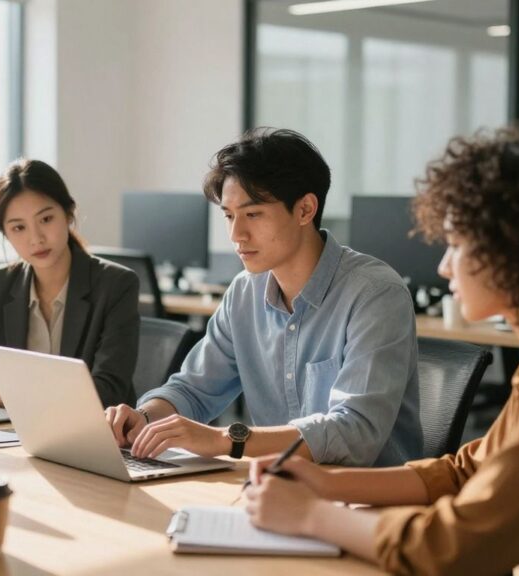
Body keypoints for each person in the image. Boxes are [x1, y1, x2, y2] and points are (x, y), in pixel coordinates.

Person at [244, 130, 519, 575]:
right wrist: (325, 482)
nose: (443, 266)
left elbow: (455, 548)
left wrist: (310, 514)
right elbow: (465, 471)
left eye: (458, 244)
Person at [106, 128, 421, 465]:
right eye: (229, 216)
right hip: (275, 489)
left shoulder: (375, 294)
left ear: (305, 210)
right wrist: (146, 419)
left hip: (367, 500)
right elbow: (193, 389)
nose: (236, 235)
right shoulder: (244, 292)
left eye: (253, 214)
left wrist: (226, 439)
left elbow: (354, 432)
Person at [0, 158, 139, 408]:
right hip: (15, 434)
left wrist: (23, 399)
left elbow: (109, 389)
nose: (36, 238)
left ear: (68, 213)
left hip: (93, 435)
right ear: (6, 235)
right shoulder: (0, 286)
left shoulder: (116, 284)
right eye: (18, 227)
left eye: (46, 219)